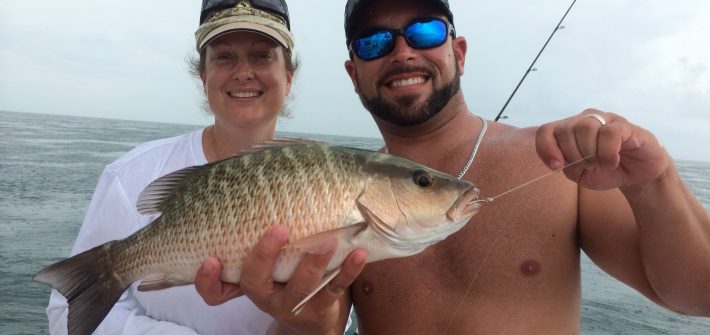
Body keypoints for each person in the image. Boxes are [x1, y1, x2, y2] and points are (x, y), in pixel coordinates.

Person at [196, 0, 710, 334]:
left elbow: (697, 295)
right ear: (354, 73)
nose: (401, 52)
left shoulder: (556, 163)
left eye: (423, 31)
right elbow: (317, 326)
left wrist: (656, 183)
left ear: (458, 51)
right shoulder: (333, 194)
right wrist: (300, 316)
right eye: (375, 41)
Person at [44, 0, 301, 334]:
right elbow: (64, 313)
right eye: (224, 56)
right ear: (204, 74)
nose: (243, 72)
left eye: (262, 55)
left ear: (289, 76)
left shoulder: (329, 185)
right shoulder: (131, 176)